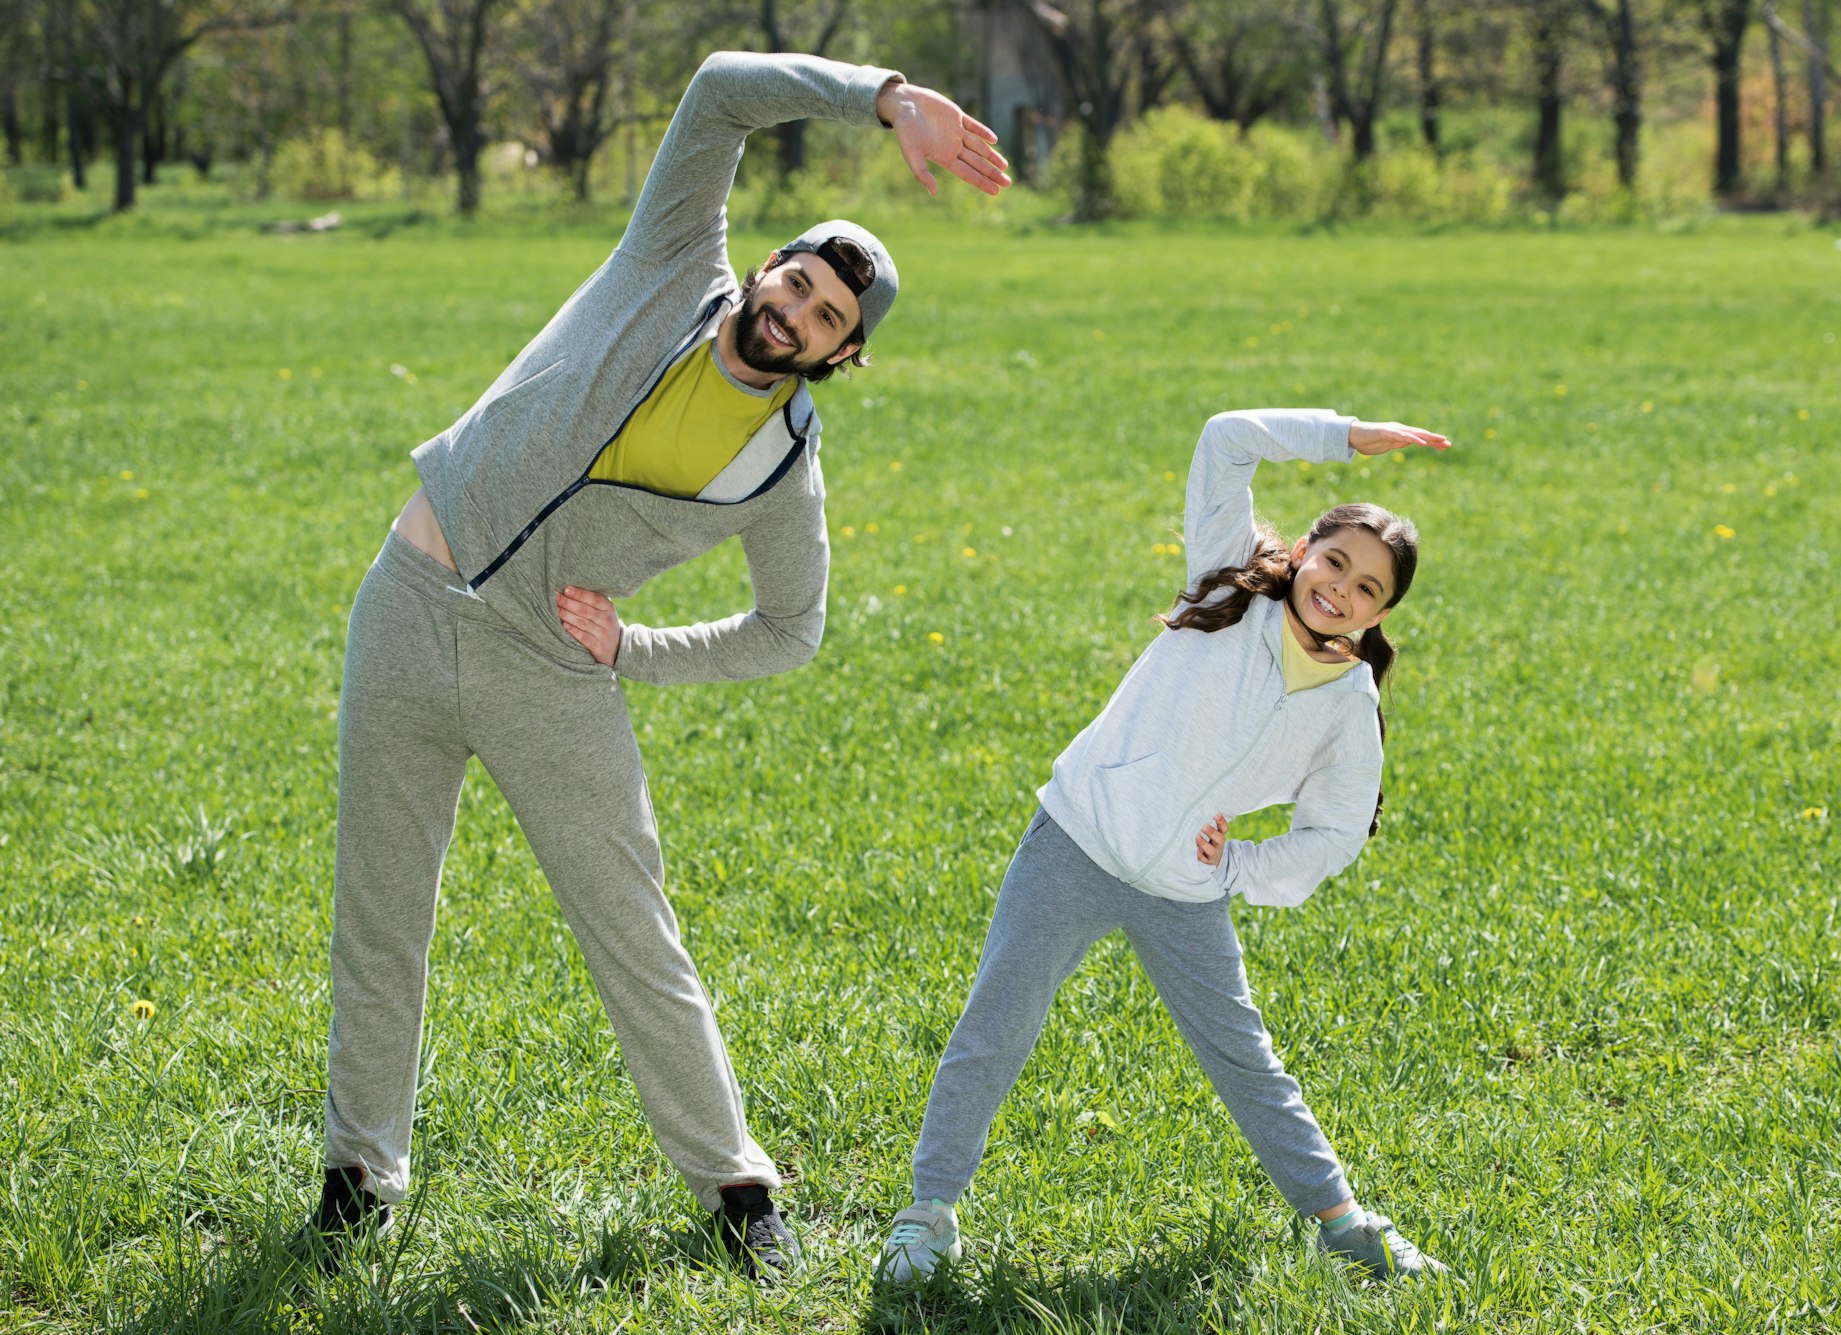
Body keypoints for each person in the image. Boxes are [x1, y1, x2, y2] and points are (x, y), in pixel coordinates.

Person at [293, 51, 1010, 1282]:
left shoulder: (779, 469)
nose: (794, 313)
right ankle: (359, 1179)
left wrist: (635, 651)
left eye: (828, 319)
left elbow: (791, 630)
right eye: (795, 280)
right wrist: (885, 98)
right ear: (766, 264)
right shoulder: (674, 259)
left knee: (632, 928)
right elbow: (724, 86)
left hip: (548, 671)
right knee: (380, 910)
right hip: (406, 610)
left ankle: (738, 1189)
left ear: (841, 356)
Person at [874, 408, 1452, 1284]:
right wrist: (1343, 437)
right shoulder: (1227, 579)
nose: (1342, 588)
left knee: (1246, 1059)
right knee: (997, 1022)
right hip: (1076, 839)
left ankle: (1344, 1220)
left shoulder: (1348, 705)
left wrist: (1241, 865)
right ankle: (928, 1211)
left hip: (1186, 889)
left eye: (1369, 587)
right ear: (1302, 549)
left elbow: (1334, 831)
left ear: (1380, 613)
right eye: (1335, 560)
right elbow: (1225, 437)